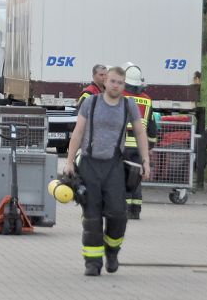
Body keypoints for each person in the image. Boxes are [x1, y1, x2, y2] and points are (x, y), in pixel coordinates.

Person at [64, 66, 151, 277]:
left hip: (114, 166)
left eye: (120, 83)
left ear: (124, 85)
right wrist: (68, 162)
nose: (116, 86)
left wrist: (146, 161)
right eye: (112, 81)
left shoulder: (129, 105)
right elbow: (78, 133)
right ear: (105, 81)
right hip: (89, 164)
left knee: (118, 214)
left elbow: (140, 133)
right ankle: (92, 263)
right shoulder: (91, 103)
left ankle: (112, 251)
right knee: (92, 218)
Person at [121, 64, 157, 220]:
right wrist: (151, 146)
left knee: (124, 177)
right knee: (136, 178)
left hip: (123, 146)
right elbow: (152, 126)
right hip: (139, 147)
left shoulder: (120, 96)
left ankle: (126, 208)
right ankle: (136, 210)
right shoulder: (147, 100)